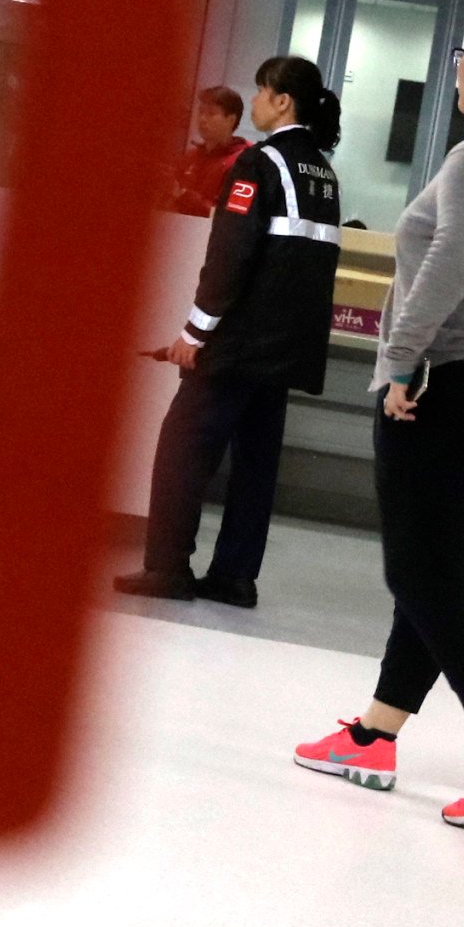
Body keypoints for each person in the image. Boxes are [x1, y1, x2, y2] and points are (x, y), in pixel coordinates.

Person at [293, 1, 464, 827]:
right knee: (437, 572)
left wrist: (398, 363)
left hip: (456, 385)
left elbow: (449, 265)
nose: (457, 65)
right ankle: (376, 735)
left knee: (420, 573)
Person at [116, 55, 340, 609]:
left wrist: (195, 332)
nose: (256, 103)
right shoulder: (323, 173)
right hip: (287, 350)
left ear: (282, 101)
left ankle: (167, 569)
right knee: (256, 465)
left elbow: (230, 257)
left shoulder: (259, 164)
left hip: (239, 344)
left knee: (181, 450)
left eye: (262, 92)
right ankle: (236, 577)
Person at [170, 85, 249, 215]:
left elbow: (235, 216)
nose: (202, 119)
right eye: (201, 112)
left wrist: (185, 197)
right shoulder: (190, 156)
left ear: (231, 120)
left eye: (211, 113)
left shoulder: (245, 163)